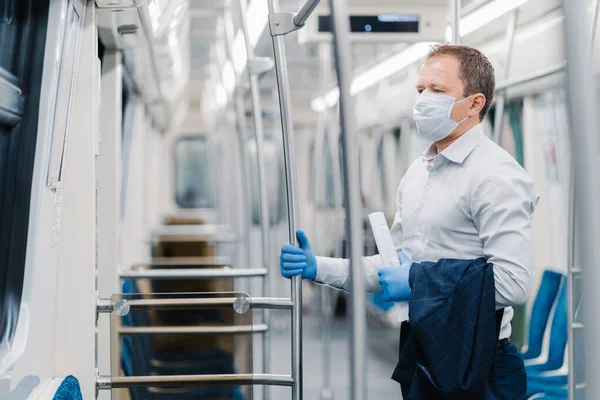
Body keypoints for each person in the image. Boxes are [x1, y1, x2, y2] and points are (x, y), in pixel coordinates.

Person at [279, 45, 538, 399]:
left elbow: (513, 282)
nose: (423, 100)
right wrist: (318, 268)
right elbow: (392, 265)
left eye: (438, 90)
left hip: (482, 363)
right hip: (423, 353)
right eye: (420, 90)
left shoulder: (496, 175)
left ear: (475, 104)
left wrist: (417, 281)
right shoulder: (418, 172)